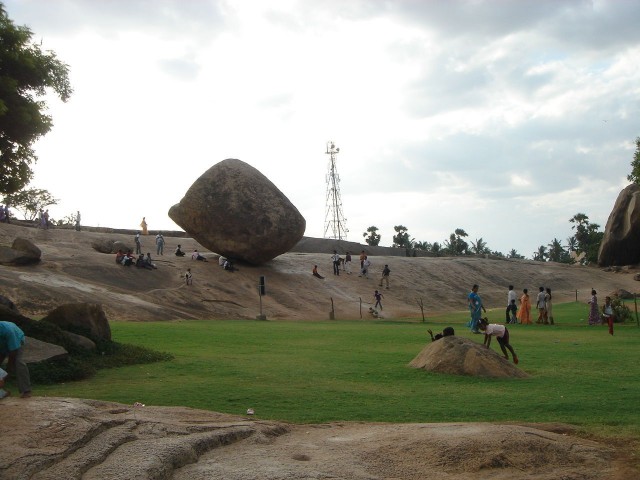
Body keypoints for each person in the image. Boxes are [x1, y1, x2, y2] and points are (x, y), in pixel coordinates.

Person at [0, 321, 32, 398]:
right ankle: (2, 392)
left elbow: (13, 351)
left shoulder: (8, 330)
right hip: (2, 345)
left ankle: (26, 390)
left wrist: (8, 370)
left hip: (17, 342)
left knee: (18, 363)